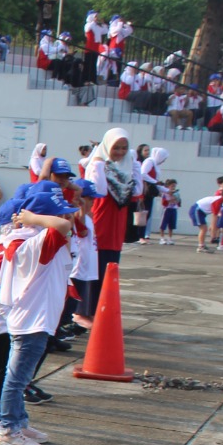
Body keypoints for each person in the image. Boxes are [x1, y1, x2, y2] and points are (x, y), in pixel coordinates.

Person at [0, 186, 76, 445]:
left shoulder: (31, 239)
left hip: (34, 318)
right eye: (57, 214)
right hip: (31, 321)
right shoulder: (35, 241)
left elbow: (64, 227)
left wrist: (35, 220)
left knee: (20, 378)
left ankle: (18, 422)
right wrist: (34, 218)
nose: (66, 218)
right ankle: (8, 430)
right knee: (16, 380)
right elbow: (62, 225)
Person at [80, 129, 136, 319]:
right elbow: (101, 191)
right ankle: (86, 312)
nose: (120, 152)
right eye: (116, 148)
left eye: (124, 148)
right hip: (100, 221)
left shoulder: (127, 167)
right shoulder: (97, 164)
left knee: (110, 267)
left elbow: (137, 192)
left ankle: (101, 310)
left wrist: (134, 167)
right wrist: (99, 166)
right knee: (95, 268)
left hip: (117, 225)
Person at [157, 179, 181, 245]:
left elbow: (179, 202)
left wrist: (176, 200)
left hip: (174, 209)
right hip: (167, 209)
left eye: (174, 186)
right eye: (172, 186)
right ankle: (162, 238)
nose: (173, 187)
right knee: (163, 224)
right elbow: (163, 203)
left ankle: (170, 238)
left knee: (172, 225)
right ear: (168, 186)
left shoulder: (176, 193)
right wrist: (170, 200)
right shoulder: (165, 193)